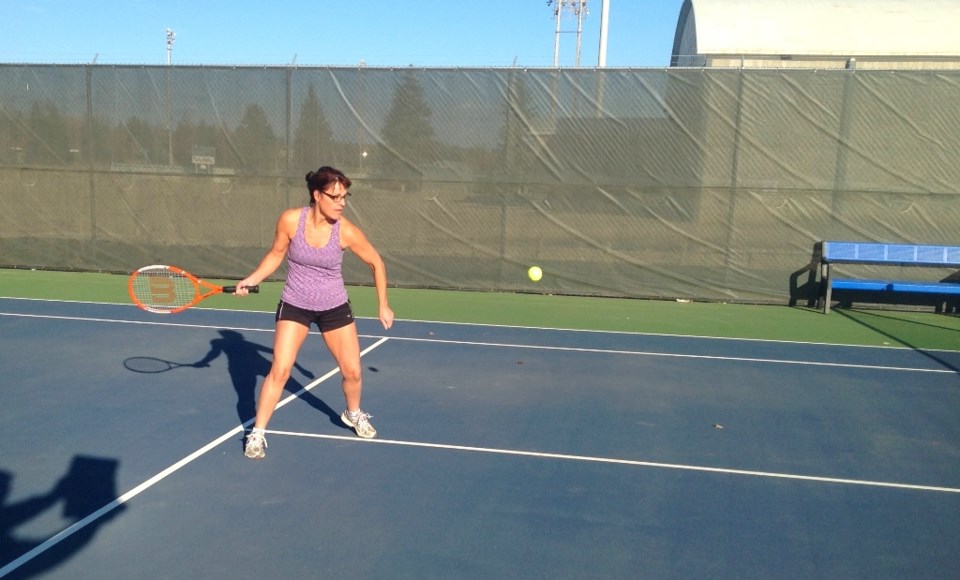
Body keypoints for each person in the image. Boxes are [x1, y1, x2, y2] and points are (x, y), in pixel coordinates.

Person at [234, 166, 394, 459]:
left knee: (353, 372)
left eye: (344, 197)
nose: (341, 203)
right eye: (335, 197)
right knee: (280, 370)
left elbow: (376, 263)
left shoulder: (345, 231)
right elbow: (275, 254)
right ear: (316, 195)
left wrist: (382, 304)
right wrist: (253, 278)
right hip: (295, 304)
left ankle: (353, 413)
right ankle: (257, 433)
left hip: (334, 307)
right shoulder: (290, 220)